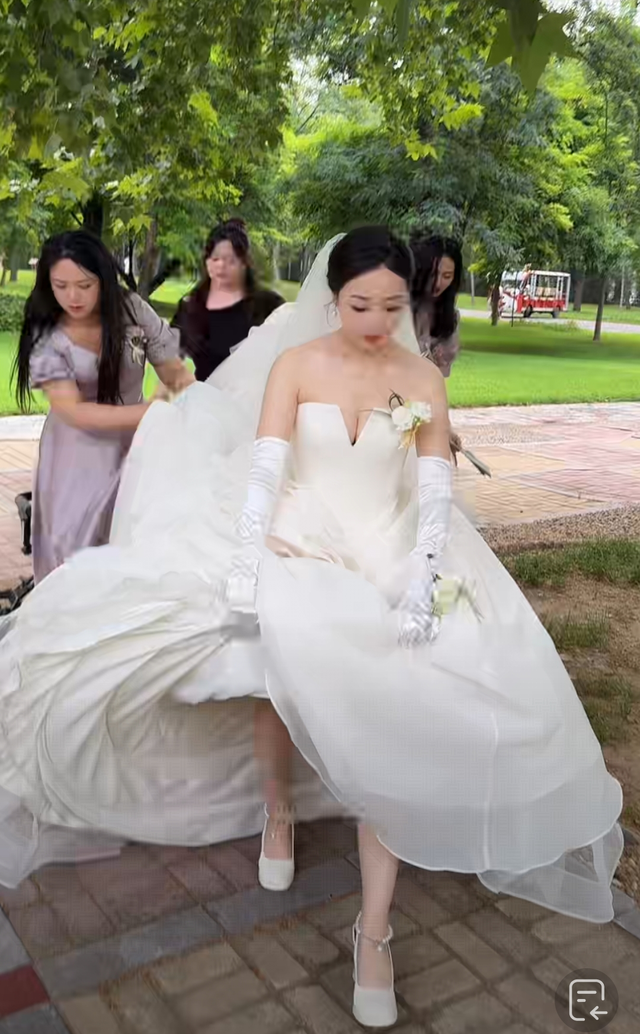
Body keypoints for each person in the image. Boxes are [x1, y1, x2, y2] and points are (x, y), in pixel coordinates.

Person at [0, 228, 622, 1029]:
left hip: (391, 545)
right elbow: (266, 470)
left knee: (396, 712)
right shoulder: (296, 364)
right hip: (301, 537)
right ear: (333, 299)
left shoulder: (420, 378)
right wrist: (250, 554)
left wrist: (424, 574)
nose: (377, 321)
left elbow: (434, 489)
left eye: (392, 306)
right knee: (275, 670)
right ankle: (278, 811)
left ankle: (375, 929)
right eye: (360, 305)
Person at [12, 230, 194, 583]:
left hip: (135, 450)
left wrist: (186, 403)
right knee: (74, 560)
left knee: (132, 551)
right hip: (75, 457)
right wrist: (152, 413)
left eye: (84, 285)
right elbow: (74, 411)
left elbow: (176, 375)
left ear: (104, 280)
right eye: (60, 285)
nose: (72, 296)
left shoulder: (131, 309)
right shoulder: (46, 329)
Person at [171, 219, 285, 381]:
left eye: (231, 260)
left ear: (244, 263)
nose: (222, 267)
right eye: (216, 259)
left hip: (255, 395)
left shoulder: (268, 305)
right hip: (204, 394)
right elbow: (169, 361)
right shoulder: (191, 307)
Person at [410, 235, 462, 377]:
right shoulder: (400, 306)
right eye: (433, 274)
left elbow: (442, 372)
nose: (438, 283)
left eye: (447, 276)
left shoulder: (451, 316)